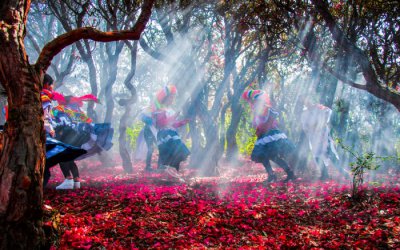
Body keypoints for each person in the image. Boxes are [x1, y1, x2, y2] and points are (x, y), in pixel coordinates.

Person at [52, 92, 113, 189]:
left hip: (66, 136)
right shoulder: (78, 111)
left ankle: (68, 179)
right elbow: (89, 122)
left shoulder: (60, 109)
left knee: (61, 157)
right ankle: (76, 181)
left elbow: (52, 118)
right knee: (70, 158)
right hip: (78, 137)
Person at [242, 89, 296, 182]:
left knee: (273, 156)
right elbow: (258, 125)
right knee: (263, 156)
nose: (251, 102)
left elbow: (271, 121)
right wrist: (258, 131)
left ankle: (288, 173)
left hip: (271, 135)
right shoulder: (256, 111)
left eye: (252, 100)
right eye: (250, 101)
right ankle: (272, 175)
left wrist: (262, 129)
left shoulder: (267, 108)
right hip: (263, 137)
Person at [299, 97, 349, 180]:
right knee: (316, 155)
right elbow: (305, 126)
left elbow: (328, 112)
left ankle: (344, 173)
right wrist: (310, 128)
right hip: (313, 137)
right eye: (305, 101)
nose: (307, 103)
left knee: (329, 154)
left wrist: (323, 122)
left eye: (308, 101)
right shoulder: (304, 113)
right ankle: (324, 173)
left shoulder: (319, 107)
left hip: (323, 135)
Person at [152, 85, 190, 179]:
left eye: (173, 97)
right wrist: (174, 116)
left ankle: (172, 175)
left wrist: (182, 122)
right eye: (170, 97)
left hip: (172, 134)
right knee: (169, 154)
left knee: (180, 152)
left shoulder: (170, 110)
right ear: (165, 98)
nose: (172, 99)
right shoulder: (160, 109)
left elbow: (173, 124)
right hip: (165, 135)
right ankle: (167, 176)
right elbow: (161, 123)